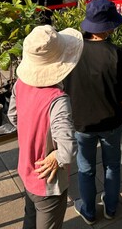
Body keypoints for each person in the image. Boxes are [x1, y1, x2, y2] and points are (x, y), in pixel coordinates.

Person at [63, 0, 122, 225]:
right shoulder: (117, 54)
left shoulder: (72, 52)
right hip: (112, 120)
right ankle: (111, 207)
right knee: (112, 165)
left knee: (86, 168)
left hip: (81, 122)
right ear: (110, 27)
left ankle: (89, 211)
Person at [8, 25, 82, 229]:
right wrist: (54, 156)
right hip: (48, 183)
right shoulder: (58, 101)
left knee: (29, 219)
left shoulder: (20, 84)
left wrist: (31, 133)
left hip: (26, 170)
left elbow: (13, 116)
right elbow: (67, 150)